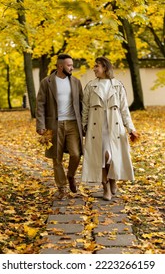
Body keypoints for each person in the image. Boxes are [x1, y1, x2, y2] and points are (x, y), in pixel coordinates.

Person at [82, 56, 138, 200]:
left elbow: (124, 109)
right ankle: (106, 187)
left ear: (105, 68)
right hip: (96, 128)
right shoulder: (90, 86)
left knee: (113, 157)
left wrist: (131, 128)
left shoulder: (118, 85)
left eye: (97, 66)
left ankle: (113, 180)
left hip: (114, 127)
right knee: (100, 158)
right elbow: (85, 109)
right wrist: (83, 126)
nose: (94, 69)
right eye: (94, 66)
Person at [36, 54, 83, 199]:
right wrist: (41, 124)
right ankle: (62, 188)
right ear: (61, 66)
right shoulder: (47, 82)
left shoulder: (76, 82)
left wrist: (85, 124)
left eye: (72, 65)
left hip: (73, 123)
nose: (72, 67)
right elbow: (40, 104)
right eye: (69, 65)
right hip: (54, 125)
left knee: (76, 154)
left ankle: (70, 176)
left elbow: (82, 104)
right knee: (57, 157)